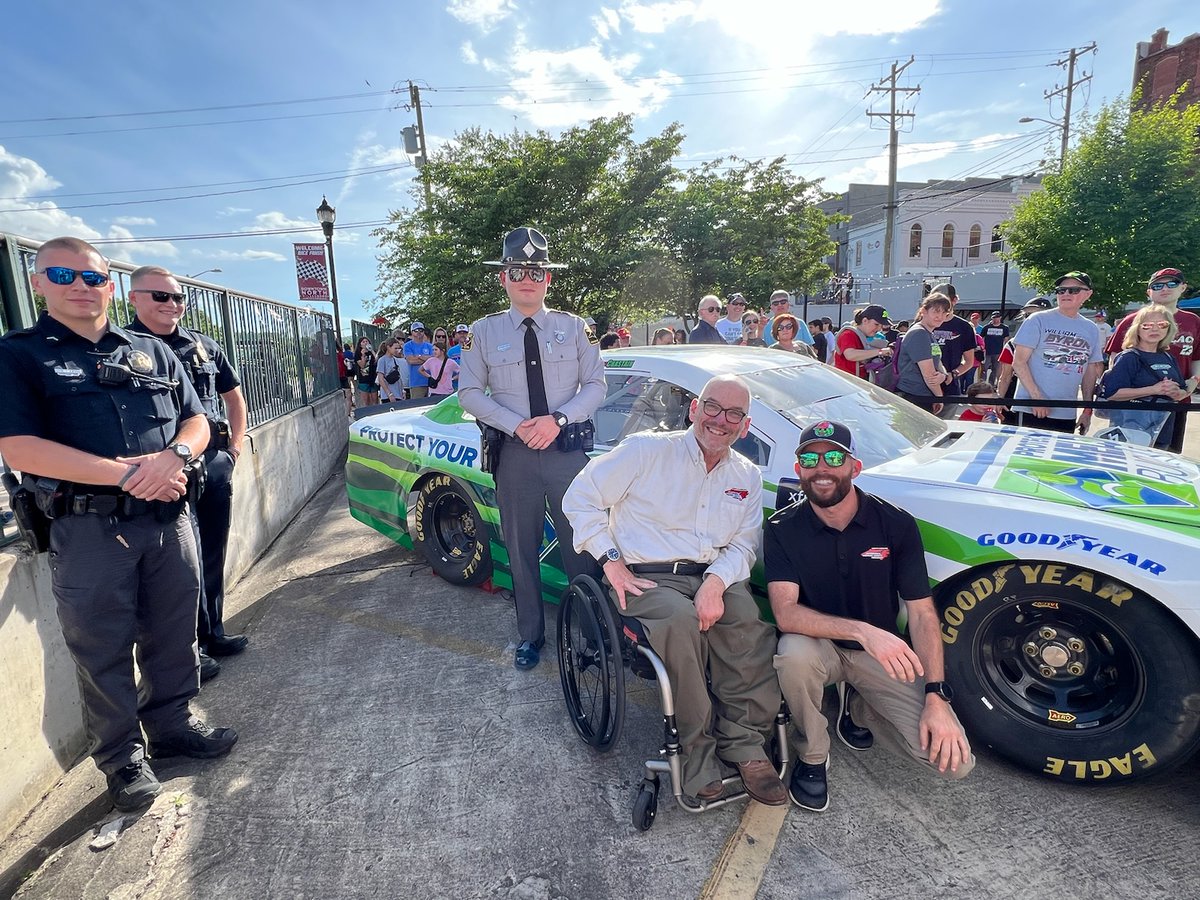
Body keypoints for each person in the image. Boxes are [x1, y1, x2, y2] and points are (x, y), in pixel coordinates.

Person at [0, 237, 237, 812]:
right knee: (102, 647)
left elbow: (197, 420)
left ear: (111, 285)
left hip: (168, 517)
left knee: (174, 631)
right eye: (64, 274)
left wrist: (173, 459)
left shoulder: (151, 351)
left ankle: (174, 727)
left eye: (93, 277)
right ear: (38, 284)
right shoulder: (19, 354)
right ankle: (123, 759)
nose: (81, 286)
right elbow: (20, 447)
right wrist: (125, 475)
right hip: (89, 531)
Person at [563, 375, 787, 806]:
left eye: (734, 414)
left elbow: (743, 543)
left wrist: (716, 583)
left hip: (712, 574)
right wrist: (611, 562)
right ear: (694, 410)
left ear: (746, 424)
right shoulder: (646, 450)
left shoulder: (746, 475)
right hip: (646, 575)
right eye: (713, 408)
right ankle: (697, 755)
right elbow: (580, 498)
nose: (721, 420)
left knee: (749, 628)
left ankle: (744, 747)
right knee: (681, 625)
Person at [766, 421, 974, 811]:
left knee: (955, 764)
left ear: (854, 468)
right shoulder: (782, 528)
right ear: (798, 470)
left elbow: (922, 614)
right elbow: (785, 613)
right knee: (792, 652)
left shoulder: (894, 524)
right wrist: (862, 630)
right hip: (820, 647)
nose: (822, 468)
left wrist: (936, 697)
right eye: (810, 458)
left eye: (834, 458)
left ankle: (860, 706)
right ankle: (813, 754)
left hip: (881, 655)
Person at [458, 227, 605, 670]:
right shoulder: (482, 333)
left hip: (567, 453)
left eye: (536, 271)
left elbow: (597, 386)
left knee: (580, 544)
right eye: (518, 270)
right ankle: (530, 636)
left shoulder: (576, 328)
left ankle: (590, 632)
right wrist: (517, 425)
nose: (528, 278)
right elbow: (468, 392)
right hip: (516, 457)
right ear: (504, 277)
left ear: (548, 279)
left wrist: (557, 419)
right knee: (521, 550)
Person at [125, 265, 250, 679]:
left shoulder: (203, 345)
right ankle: (190, 651)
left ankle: (214, 632)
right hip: (164, 474)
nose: (172, 304)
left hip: (211, 464)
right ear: (133, 298)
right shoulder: (122, 349)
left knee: (211, 551)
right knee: (182, 564)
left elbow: (234, 397)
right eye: (160, 296)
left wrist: (232, 450)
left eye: (178, 297)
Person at [1104, 267, 1200, 453]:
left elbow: (1197, 359)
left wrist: (1189, 386)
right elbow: (1114, 364)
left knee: (1167, 456)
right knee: (1127, 457)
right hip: (1133, 409)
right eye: (1157, 285)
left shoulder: (1193, 321)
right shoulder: (1132, 319)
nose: (1164, 288)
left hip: (1175, 404)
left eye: (1172, 283)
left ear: (1183, 287)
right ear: (1149, 292)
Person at [1011, 272, 1104, 434]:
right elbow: (1018, 362)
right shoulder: (1037, 319)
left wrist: (1087, 410)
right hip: (1031, 409)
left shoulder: (1091, 329)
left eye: (1073, 290)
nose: (1066, 294)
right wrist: (1037, 398)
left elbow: (1090, 371)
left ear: (1088, 294)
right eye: (1061, 290)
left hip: (1066, 412)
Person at [1098, 305, 1190, 448]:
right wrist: (1153, 389)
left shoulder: (1168, 357)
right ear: (1137, 329)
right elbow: (1112, 393)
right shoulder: (1129, 357)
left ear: (1169, 328)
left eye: (1162, 325)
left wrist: (1177, 392)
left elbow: (1182, 390)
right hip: (1130, 431)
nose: (1155, 329)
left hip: (1163, 429)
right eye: (1147, 325)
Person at [894, 293, 953, 414]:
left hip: (921, 394)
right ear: (924, 311)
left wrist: (943, 375)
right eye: (936, 311)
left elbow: (937, 361)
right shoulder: (919, 334)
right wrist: (939, 397)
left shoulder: (928, 333)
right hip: (914, 396)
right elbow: (929, 375)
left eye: (944, 313)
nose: (940, 316)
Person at [996, 297, 1053, 399]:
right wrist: (1000, 400)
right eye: (1028, 315)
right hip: (1017, 395)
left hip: (1051, 395)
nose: (1032, 319)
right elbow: (1005, 376)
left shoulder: (1059, 345)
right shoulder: (1013, 344)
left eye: (1039, 315)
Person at [928, 283, 978, 397]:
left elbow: (969, 361)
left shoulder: (964, 327)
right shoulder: (923, 324)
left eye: (943, 301)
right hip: (922, 387)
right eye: (934, 301)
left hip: (949, 387)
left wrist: (953, 374)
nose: (939, 306)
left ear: (954, 300)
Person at [833, 305, 892, 379]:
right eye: (876, 324)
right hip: (845, 383)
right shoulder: (848, 334)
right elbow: (850, 355)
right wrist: (880, 351)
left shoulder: (863, 337)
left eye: (881, 326)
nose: (879, 328)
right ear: (865, 321)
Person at [402, 323, 434, 400]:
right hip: (416, 383)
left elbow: (434, 361)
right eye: (416, 330)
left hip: (431, 382)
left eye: (421, 330)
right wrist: (427, 359)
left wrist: (418, 356)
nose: (419, 332)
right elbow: (411, 361)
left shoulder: (430, 346)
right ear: (412, 332)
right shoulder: (407, 346)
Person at [980, 312, 1009, 384]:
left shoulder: (1004, 328)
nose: (995, 319)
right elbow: (981, 338)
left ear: (1000, 318)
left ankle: (991, 384)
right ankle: (982, 383)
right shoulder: (986, 327)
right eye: (993, 318)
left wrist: (1004, 351)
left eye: (996, 317)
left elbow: (1006, 339)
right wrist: (982, 348)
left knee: (995, 369)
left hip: (998, 352)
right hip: (987, 351)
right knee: (984, 368)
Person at [355, 337, 378, 408]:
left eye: (367, 341)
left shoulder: (372, 352)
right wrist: (363, 355)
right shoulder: (358, 354)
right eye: (363, 342)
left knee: (375, 400)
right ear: (360, 344)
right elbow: (362, 365)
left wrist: (372, 351)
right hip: (364, 379)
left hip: (373, 378)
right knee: (366, 401)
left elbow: (377, 361)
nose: (365, 343)